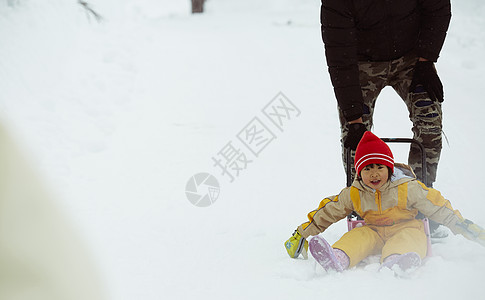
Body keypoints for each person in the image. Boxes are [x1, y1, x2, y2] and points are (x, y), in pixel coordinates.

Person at [284, 132, 485, 272]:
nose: (374, 174)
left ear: (389, 169)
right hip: (373, 229)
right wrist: (302, 233)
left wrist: (460, 224)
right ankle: (338, 257)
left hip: (406, 227)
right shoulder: (354, 192)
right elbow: (329, 211)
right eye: (367, 169)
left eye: (379, 167)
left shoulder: (407, 187)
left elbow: (436, 205)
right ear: (359, 172)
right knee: (357, 236)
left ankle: (396, 260)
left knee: (410, 238)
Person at [320, 0, 451, 187]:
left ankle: (420, 192)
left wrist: (426, 59)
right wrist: (354, 119)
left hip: (411, 58)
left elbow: (438, 8)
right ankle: (361, 197)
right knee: (355, 135)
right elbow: (339, 56)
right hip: (362, 63)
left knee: (429, 120)